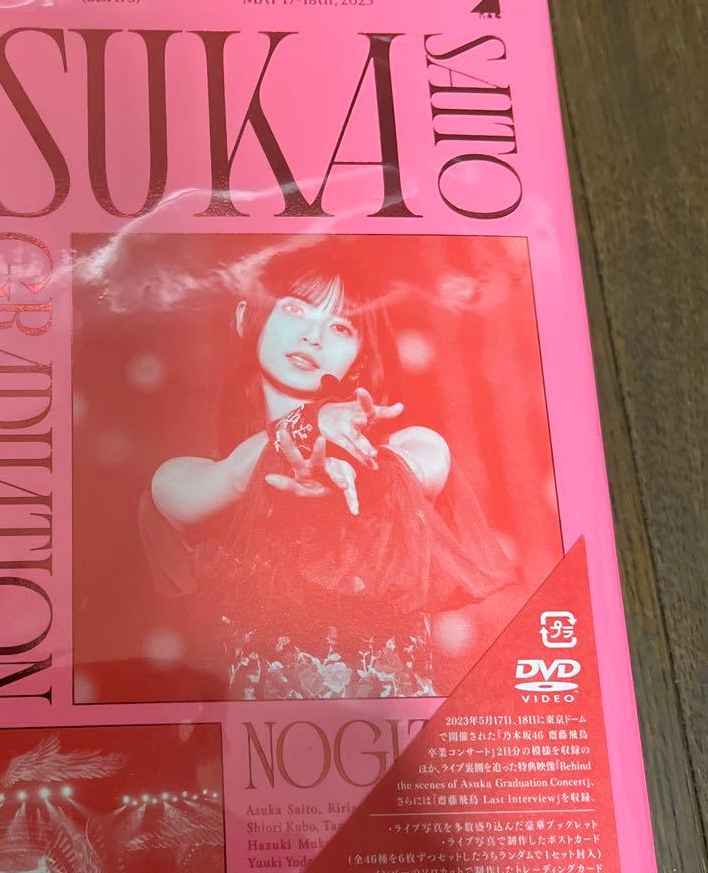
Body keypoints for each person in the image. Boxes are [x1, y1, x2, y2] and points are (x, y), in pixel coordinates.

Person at [141, 240, 514, 700]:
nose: (313, 337)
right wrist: (309, 423)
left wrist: (347, 465)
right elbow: (232, 477)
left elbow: (424, 462)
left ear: (361, 357)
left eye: (340, 326)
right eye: (295, 309)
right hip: (265, 740)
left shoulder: (408, 448)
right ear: (245, 317)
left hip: (394, 739)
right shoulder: (184, 476)